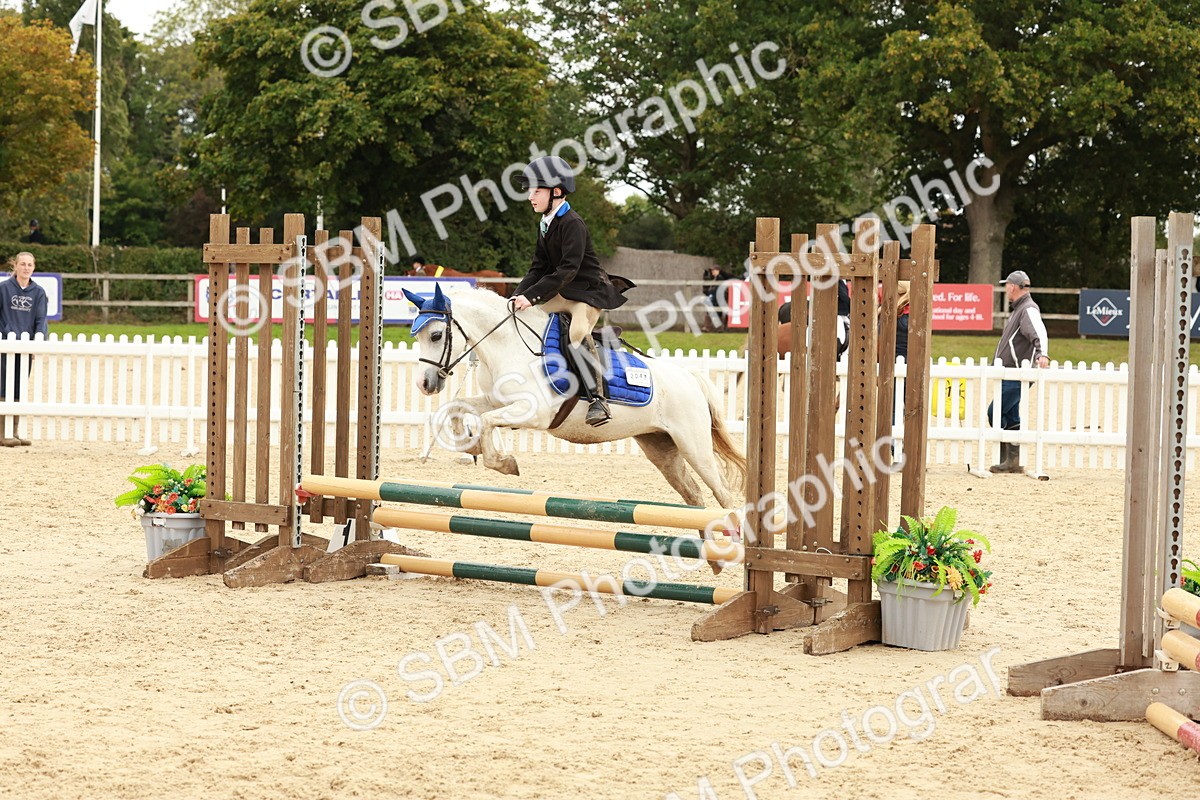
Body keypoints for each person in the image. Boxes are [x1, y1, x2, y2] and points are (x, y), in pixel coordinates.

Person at [511, 156, 634, 427]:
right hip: (563, 292)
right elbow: (538, 268)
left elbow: (568, 269)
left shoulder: (572, 223)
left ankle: (598, 400)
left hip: (586, 294)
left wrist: (532, 297)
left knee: (576, 334)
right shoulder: (545, 223)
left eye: (536, 191)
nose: (530, 197)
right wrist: (517, 296)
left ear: (556, 191)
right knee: (526, 319)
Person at [987, 270, 1049, 473]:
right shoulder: (1020, 309)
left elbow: (1039, 332)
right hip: (1012, 372)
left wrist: (1042, 353)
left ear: (1013, 287)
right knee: (1011, 415)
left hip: (1017, 373)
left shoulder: (1027, 309)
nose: (1006, 289)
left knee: (994, 412)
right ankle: (1012, 461)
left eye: (1007, 286)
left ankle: (1009, 458)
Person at [0, 252, 49, 446]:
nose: (26, 268)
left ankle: (13, 431)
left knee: (18, 389)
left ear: (34, 267)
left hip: (26, 347)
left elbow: (41, 320)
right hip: (5, 346)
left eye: (29, 265)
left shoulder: (38, 292)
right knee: (3, 388)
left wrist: (37, 343)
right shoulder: (3, 289)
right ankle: (2, 434)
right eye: (22, 264)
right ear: (15, 266)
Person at [701, 265, 735, 330]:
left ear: (718, 271)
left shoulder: (721, 278)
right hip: (713, 296)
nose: (712, 272)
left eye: (714, 270)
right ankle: (708, 327)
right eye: (712, 271)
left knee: (718, 311)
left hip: (719, 297)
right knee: (711, 311)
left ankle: (718, 328)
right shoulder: (713, 279)